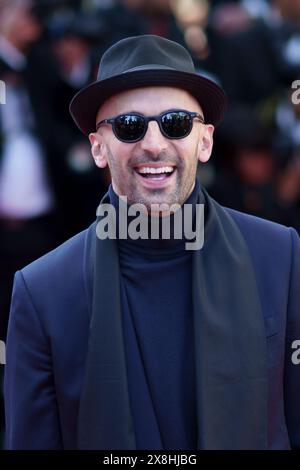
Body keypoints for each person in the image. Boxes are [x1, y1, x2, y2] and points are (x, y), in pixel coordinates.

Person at [4, 34, 300, 450]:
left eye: (176, 122)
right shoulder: (42, 292)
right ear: (98, 149)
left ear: (206, 141)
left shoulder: (279, 256)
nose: (154, 144)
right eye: (129, 126)